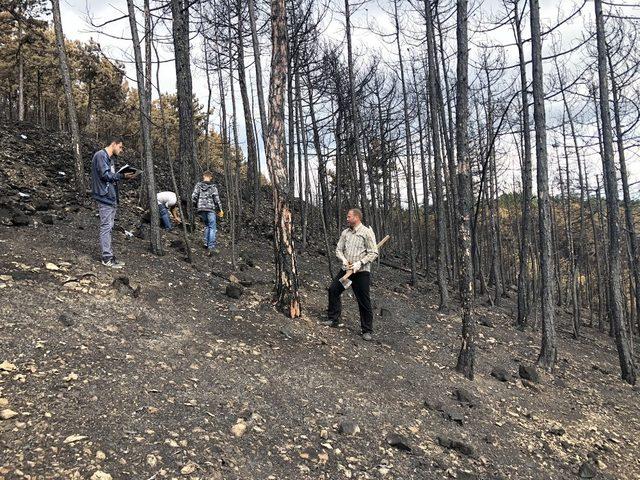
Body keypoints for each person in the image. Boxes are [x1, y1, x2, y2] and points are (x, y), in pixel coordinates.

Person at [322, 208, 379, 341]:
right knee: (333, 290)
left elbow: (374, 253)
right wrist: (343, 259)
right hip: (346, 272)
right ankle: (333, 319)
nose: (347, 219)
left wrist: (360, 263)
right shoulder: (345, 233)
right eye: (347, 217)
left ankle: (367, 330)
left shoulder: (367, 233)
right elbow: (338, 250)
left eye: (349, 217)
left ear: (357, 217)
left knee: (363, 301)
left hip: (361, 273)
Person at [91, 136, 136, 268]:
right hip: (104, 197)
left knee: (109, 227)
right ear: (114, 144)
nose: (121, 150)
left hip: (111, 197)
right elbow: (105, 175)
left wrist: (123, 177)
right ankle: (106, 258)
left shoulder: (109, 159)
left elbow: (111, 178)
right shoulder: (100, 155)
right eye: (120, 147)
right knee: (106, 227)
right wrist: (121, 175)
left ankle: (110, 256)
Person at [191, 171, 224, 255]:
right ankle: (211, 246)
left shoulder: (198, 185)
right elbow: (216, 199)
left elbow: (193, 196)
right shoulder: (213, 187)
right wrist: (220, 209)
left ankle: (206, 243)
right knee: (212, 227)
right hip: (210, 209)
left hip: (201, 209)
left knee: (206, 225)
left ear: (203, 176)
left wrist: (195, 205)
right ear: (211, 177)